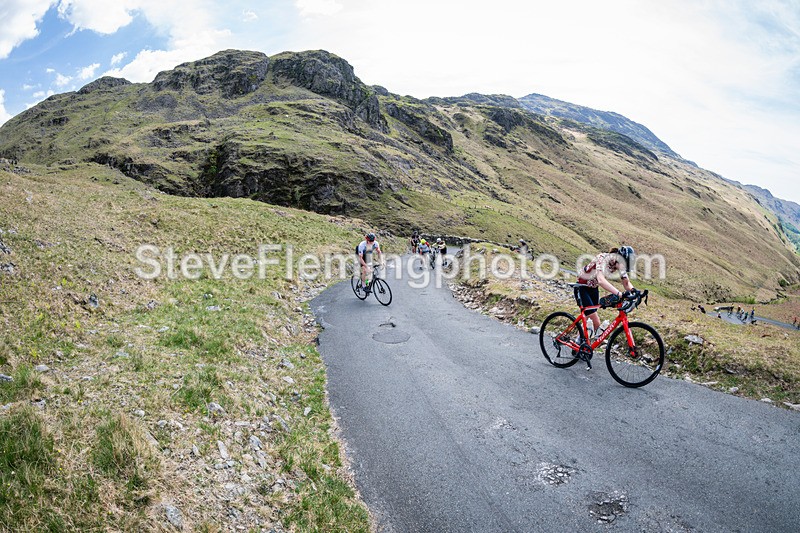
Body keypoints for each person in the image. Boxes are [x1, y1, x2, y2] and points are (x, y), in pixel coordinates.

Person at [575, 245, 636, 338]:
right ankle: (578, 343)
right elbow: (601, 280)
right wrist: (619, 294)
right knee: (596, 323)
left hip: (593, 288)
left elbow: (626, 283)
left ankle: (578, 343)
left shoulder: (619, 264)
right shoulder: (603, 258)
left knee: (588, 320)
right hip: (582, 286)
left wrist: (635, 292)